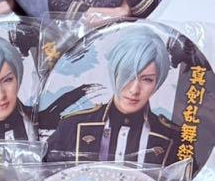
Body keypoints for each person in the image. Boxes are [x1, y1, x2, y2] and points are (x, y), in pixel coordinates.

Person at [45, 27, 178, 166]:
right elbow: (43, 172)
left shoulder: (172, 138)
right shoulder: (72, 125)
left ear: (158, 82)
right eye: (127, 75)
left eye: (147, 80)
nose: (134, 90)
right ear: (114, 73)